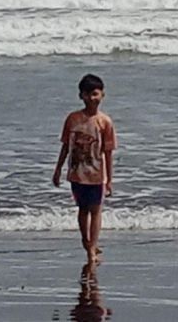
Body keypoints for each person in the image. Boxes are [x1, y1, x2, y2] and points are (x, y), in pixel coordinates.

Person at [53, 74, 117, 264]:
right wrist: (57, 170)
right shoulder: (73, 119)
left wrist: (109, 180)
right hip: (77, 173)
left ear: (102, 95)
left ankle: (92, 246)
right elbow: (65, 146)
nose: (91, 98)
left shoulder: (105, 121)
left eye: (95, 94)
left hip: (97, 175)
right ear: (80, 95)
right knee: (83, 210)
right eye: (87, 94)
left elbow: (108, 152)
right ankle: (86, 242)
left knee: (96, 210)